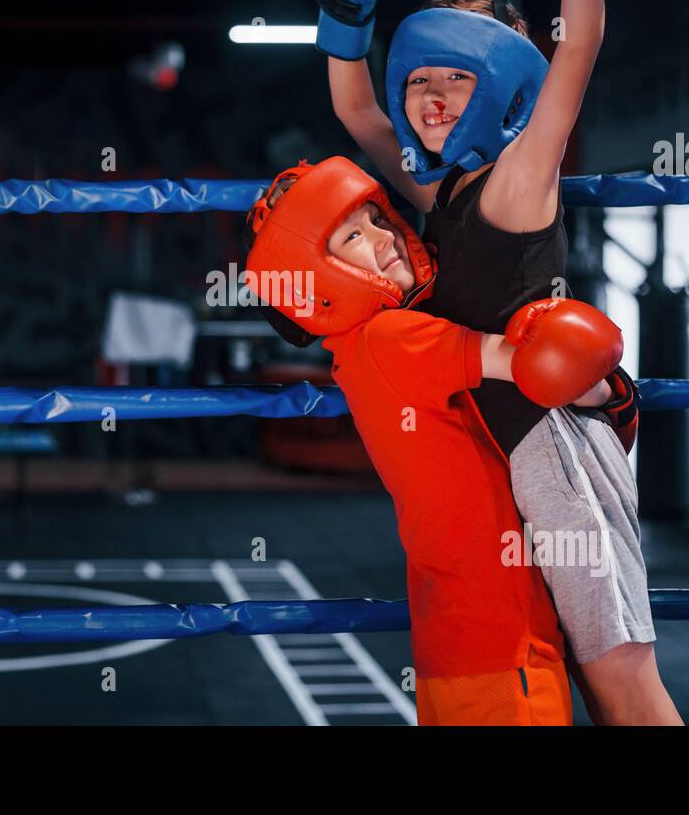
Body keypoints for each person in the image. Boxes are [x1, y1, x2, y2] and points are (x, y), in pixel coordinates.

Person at [293, 0, 683, 724]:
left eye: (459, 76)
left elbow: (575, 51)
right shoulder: (443, 194)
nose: (432, 96)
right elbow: (358, 112)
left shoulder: (518, 179)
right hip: (499, 459)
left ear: (504, 85)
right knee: (574, 675)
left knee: (619, 676)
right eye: (423, 76)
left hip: (556, 452)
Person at [244, 155, 623, 725]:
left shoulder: (360, 352)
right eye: (351, 235)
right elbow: (547, 362)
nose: (384, 236)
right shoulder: (394, 337)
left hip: (456, 640)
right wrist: (607, 385)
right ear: (315, 275)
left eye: (376, 217)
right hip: (501, 639)